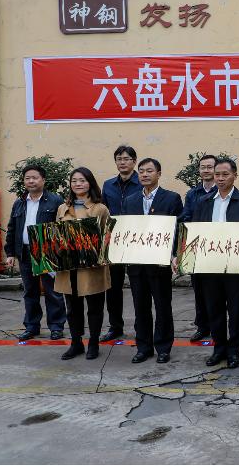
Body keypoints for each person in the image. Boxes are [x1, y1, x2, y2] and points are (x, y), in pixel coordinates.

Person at [188, 158, 239, 369]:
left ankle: (234, 350)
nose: (220, 178)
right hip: (210, 265)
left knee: (236, 310)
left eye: (225, 174)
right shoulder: (204, 201)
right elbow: (195, 231)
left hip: (236, 265)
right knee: (214, 309)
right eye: (217, 174)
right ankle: (218, 348)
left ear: (234, 175)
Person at [124, 158, 183, 364]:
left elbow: (178, 230)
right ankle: (144, 347)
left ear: (159, 174)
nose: (145, 174)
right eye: (141, 171)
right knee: (140, 308)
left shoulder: (172, 198)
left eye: (149, 171)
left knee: (162, 306)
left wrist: (174, 254)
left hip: (160, 264)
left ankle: (163, 347)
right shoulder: (130, 200)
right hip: (136, 263)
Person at [4, 164, 66, 341]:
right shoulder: (19, 202)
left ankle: (56, 326)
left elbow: (62, 228)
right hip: (24, 252)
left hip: (46, 250)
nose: (31, 181)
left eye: (35, 177)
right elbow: (12, 228)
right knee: (30, 291)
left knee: (52, 290)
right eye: (27, 178)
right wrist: (10, 253)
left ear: (43, 180)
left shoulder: (55, 201)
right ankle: (32, 326)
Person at [54, 168, 111, 360]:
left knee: (94, 307)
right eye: (74, 181)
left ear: (90, 183)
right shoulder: (62, 208)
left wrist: (98, 255)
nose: (78, 184)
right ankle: (76, 343)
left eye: (82, 180)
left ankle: (93, 343)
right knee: (72, 308)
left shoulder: (100, 208)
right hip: (68, 267)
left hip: (92, 267)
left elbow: (107, 237)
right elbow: (56, 235)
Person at [100, 145, 142, 342]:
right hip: (114, 242)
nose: (122, 162)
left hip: (136, 242)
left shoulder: (142, 182)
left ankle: (142, 327)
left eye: (126, 159)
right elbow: (104, 211)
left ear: (134, 161)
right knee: (113, 287)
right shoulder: (108, 185)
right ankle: (115, 326)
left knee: (139, 287)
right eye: (119, 159)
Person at [180, 154, 218, 342]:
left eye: (210, 167)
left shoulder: (222, 191)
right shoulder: (192, 194)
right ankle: (202, 326)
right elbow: (186, 216)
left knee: (216, 291)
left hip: (217, 248)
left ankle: (217, 326)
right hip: (196, 247)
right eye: (203, 167)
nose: (206, 170)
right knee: (199, 289)